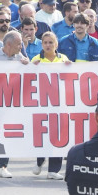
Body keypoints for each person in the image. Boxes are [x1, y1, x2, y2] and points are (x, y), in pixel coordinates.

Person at [0, 32, 29, 178]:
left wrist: (29, 66)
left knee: (6, 132)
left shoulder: (20, 58)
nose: (21, 47)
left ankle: (3, 166)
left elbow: (30, 75)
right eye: (19, 44)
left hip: (11, 103)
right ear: (8, 44)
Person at [30, 31, 69, 179]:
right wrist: (31, 68)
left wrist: (70, 68)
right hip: (42, 104)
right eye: (45, 42)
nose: (48, 45)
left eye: (50, 42)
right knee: (44, 135)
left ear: (56, 44)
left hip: (59, 104)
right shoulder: (36, 59)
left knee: (58, 136)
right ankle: (40, 161)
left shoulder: (63, 59)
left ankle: (53, 170)